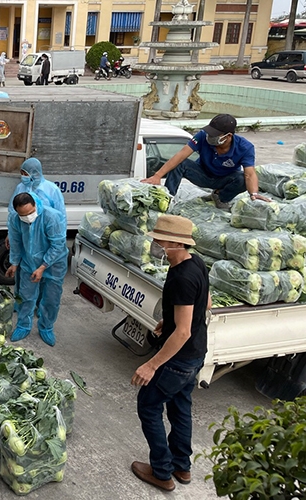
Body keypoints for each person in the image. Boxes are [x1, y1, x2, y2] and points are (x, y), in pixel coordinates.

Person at [130, 214, 211, 493]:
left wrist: (151, 365)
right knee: (180, 406)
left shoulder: (182, 278)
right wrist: (172, 319)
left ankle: (162, 472)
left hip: (179, 358)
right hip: (196, 353)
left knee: (148, 405)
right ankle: (181, 466)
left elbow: (183, 333)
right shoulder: (195, 263)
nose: (155, 245)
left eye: (159, 241)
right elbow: (205, 302)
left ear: (174, 243)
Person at [141, 114, 269, 209]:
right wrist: (157, 176)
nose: (210, 136)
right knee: (180, 163)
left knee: (242, 179)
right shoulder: (202, 136)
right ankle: (167, 198)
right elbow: (181, 155)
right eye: (209, 133)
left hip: (224, 180)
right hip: (202, 175)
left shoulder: (245, 147)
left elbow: (250, 174)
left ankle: (220, 197)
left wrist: (254, 194)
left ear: (228, 135)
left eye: (214, 135)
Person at [5, 193, 68, 346]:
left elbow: (57, 245)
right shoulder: (15, 219)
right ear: (17, 212)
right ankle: (23, 325)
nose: (28, 217)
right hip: (29, 261)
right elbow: (15, 242)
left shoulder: (51, 217)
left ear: (35, 205)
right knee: (25, 296)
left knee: (51, 298)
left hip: (54, 264)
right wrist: (14, 263)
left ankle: (46, 327)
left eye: (30, 212)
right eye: (23, 215)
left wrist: (43, 267)